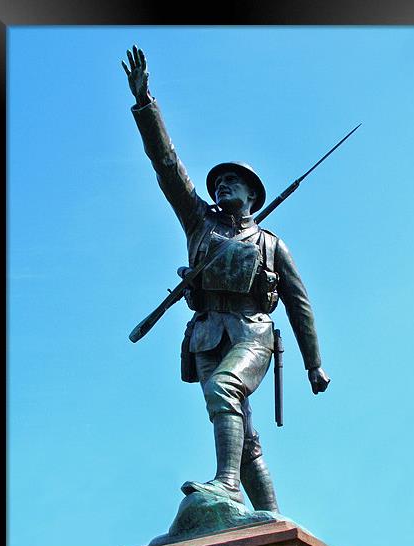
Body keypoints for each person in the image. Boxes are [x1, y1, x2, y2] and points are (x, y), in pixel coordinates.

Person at [122, 45, 330, 513]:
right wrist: (145, 104)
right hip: (204, 336)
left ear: (253, 195)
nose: (221, 187)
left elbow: (300, 305)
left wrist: (313, 364)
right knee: (245, 434)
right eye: (218, 183)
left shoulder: (273, 245)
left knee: (225, 390)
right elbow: (167, 167)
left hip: (252, 331)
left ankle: (228, 485)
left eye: (232, 182)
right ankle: (271, 519)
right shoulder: (200, 223)